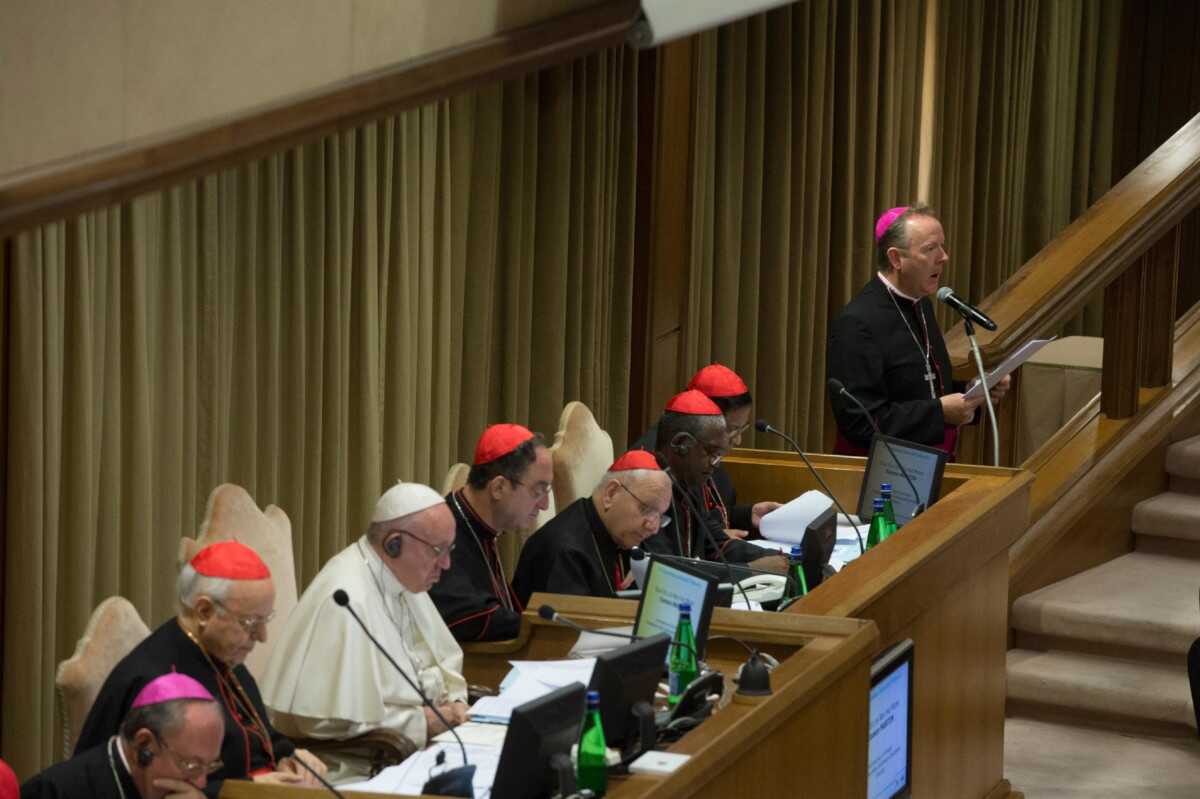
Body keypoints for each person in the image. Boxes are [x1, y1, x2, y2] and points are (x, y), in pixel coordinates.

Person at [75, 543, 325, 796]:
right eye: (250, 622)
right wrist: (248, 790)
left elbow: (258, 734)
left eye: (265, 620)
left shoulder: (222, 655)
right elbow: (155, 790)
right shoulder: (158, 683)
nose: (262, 636)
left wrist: (290, 756)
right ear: (204, 611)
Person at [261, 482, 469, 784]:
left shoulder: (405, 580)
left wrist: (455, 703)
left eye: (449, 550)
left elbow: (439, 665)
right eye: (437, 550)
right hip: (357, 766)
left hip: (414, 753)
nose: (446, 564)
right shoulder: (345, 597)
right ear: (393, 543)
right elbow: (322, 719)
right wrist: (422, 722)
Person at [828, 205, 1010, 456]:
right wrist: (940, 412)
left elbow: (922, 386)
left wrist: (974, 390)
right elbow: (860, 422)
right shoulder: (857, 322)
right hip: (881, 476)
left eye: (942, 246)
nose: (944, 257)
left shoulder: (921, 304)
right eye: (930, 249)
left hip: (931, 464)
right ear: (895, 259)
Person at [430, 424, 551, 642]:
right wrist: (539, 627)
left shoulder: (483, 530)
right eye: (538, 491)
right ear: (498, 488)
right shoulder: (440, 534)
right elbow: (467, 615)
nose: (544, 504)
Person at [640, 391, 785, 571]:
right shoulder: (644, 492)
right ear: (681, 444)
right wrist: (750, 569)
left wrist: (783, 557)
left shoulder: (689, 482)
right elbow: (668, 574)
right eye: (710, 452)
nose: (715, 464)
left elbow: (717, 544)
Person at [634, 364, 780, 539]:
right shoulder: (662, 461)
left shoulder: (706, 449)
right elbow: (670, 534)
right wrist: (713, 540)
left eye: (742, 430)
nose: (738, 441)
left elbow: (708, 512)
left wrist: (748, 514)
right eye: (733, 430)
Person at [24, 673, 223, 799]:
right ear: (144, 745)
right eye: (190, 765)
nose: (201, 784)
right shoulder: (52, 792)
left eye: (210, 766)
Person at [512, 450, 671, 606]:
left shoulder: (621, 534)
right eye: (646, 509)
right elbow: (568, 629)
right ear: (611, 493)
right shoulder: (565, 551)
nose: (654, 527)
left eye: (660, 515)